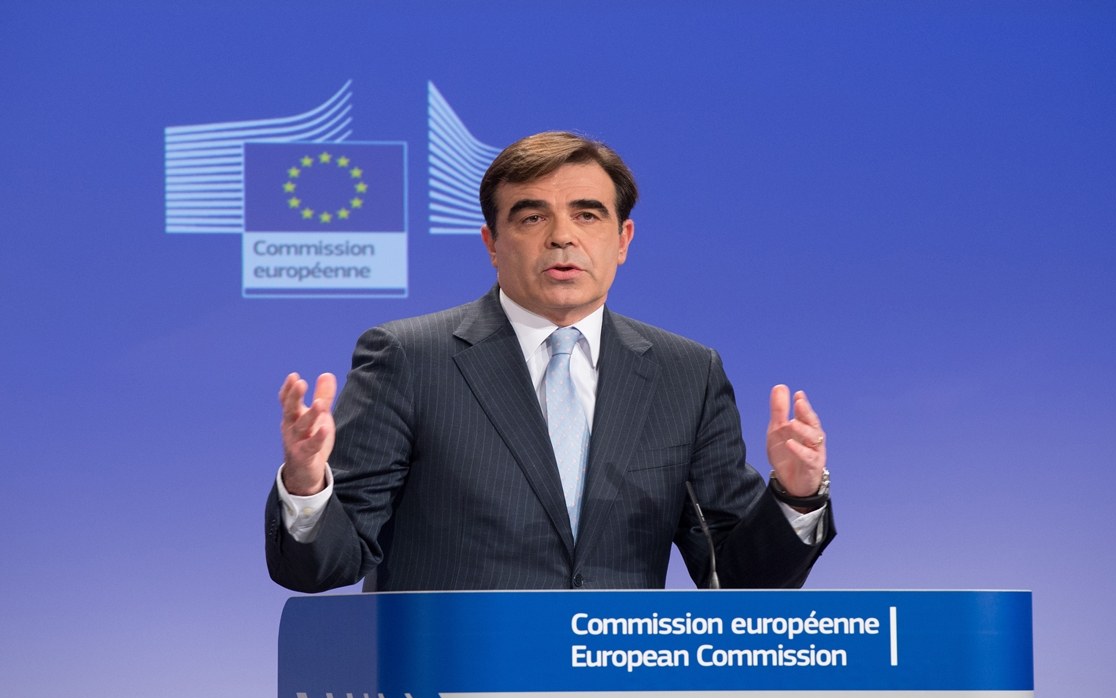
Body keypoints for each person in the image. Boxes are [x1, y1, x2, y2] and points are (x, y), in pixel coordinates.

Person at [266, 131, 834, 592]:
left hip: (616, 678)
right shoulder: (411, 359)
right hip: (454, 677)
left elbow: (738, 578)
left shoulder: (686, 373)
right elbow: (323, 567)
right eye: (532, 218)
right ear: (492, 243)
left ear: (623, 239)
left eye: (587, 215)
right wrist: (307, 483)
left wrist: (796, 496)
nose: (563, 237)